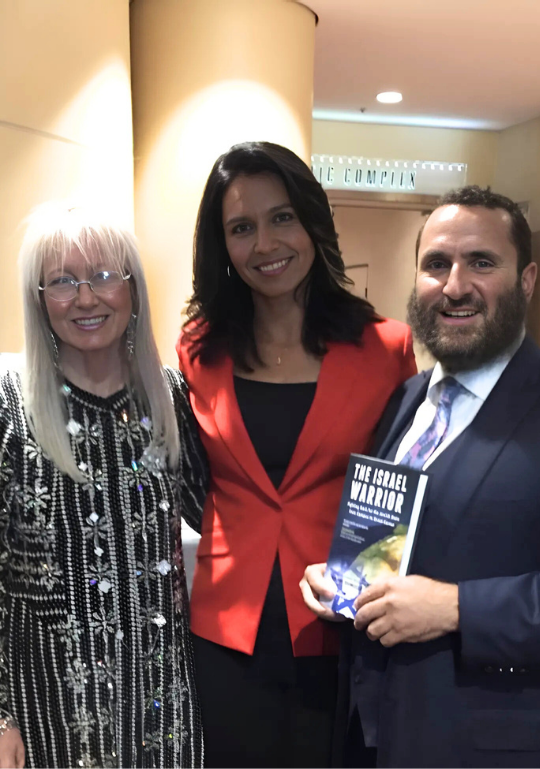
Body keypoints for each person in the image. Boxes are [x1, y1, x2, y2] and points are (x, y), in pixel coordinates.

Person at [300, 185, 540, 768]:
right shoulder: (407, 400)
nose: (455, 285)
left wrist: (459, 608)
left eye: (482, 262)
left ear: (526, 280)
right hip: (378, 731)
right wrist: (350, 585)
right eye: (436, 264)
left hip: (498, 747)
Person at [177, 141, 417, 768]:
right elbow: (189, 479)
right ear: (220, 244)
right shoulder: (198, 350)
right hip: (228, 626)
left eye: (282, 217)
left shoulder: (386, 347)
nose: (265, 244)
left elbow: (399, 482)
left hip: (341, 621)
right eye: (241, 228)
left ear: (313, 220)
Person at [0, 203, 207, 769]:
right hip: (47, 712)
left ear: (134, 290)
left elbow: (216, 510)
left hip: (162, 709)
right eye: (63, 282)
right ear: (39, 299)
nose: (86, 298)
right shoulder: (4, 407)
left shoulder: (169, 398)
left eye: (102, 276)